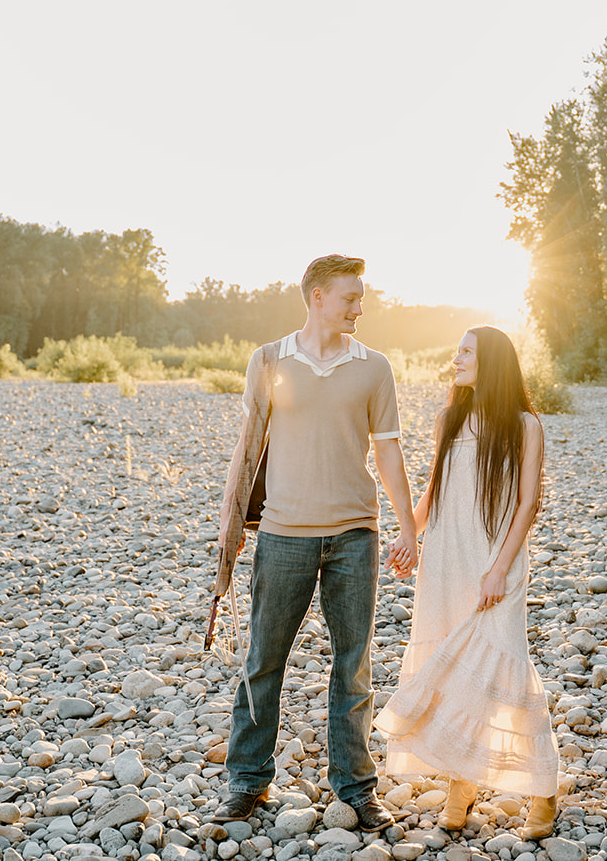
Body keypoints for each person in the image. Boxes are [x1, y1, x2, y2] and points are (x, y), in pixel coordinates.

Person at [212, 254, 419, 831]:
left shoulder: (375, 367)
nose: (360, 307)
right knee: (263, 661)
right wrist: (227, 534)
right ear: (318, 297)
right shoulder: (269, 360)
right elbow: (248, 446)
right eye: (351, 297)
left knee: (353, 666)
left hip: (356, 534)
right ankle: (247, 782)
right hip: (282, 536)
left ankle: (356, 788)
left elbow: (389, 452)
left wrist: (406, 527)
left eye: (362, 298)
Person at [374, 326, 559, 839]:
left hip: (495, 560)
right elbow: (434, 485)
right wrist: (410, 535)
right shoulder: (448, 419)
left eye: (466, 352)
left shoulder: (525, 425)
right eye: (455, 349)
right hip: (447, 560)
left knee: (506, 665)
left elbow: (528, 503)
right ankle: (462, 781)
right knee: (453, 670)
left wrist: (499, 567)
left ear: (493, 363)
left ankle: (543, 791)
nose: (455, 358)